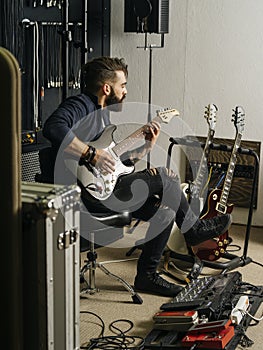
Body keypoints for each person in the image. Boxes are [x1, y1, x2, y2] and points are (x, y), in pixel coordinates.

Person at [43, 56, 232, 297]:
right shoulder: (80, 105)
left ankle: (147, 276)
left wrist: (142, 150)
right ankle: (194, 228)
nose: (125, 91)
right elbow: (53, 127)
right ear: (107, 88)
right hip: (84, 195)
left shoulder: (102, 115)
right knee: (166, 177)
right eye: (123, 85)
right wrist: (91, 154)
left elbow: (110, 164)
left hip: (104, 186)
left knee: (165, 209)